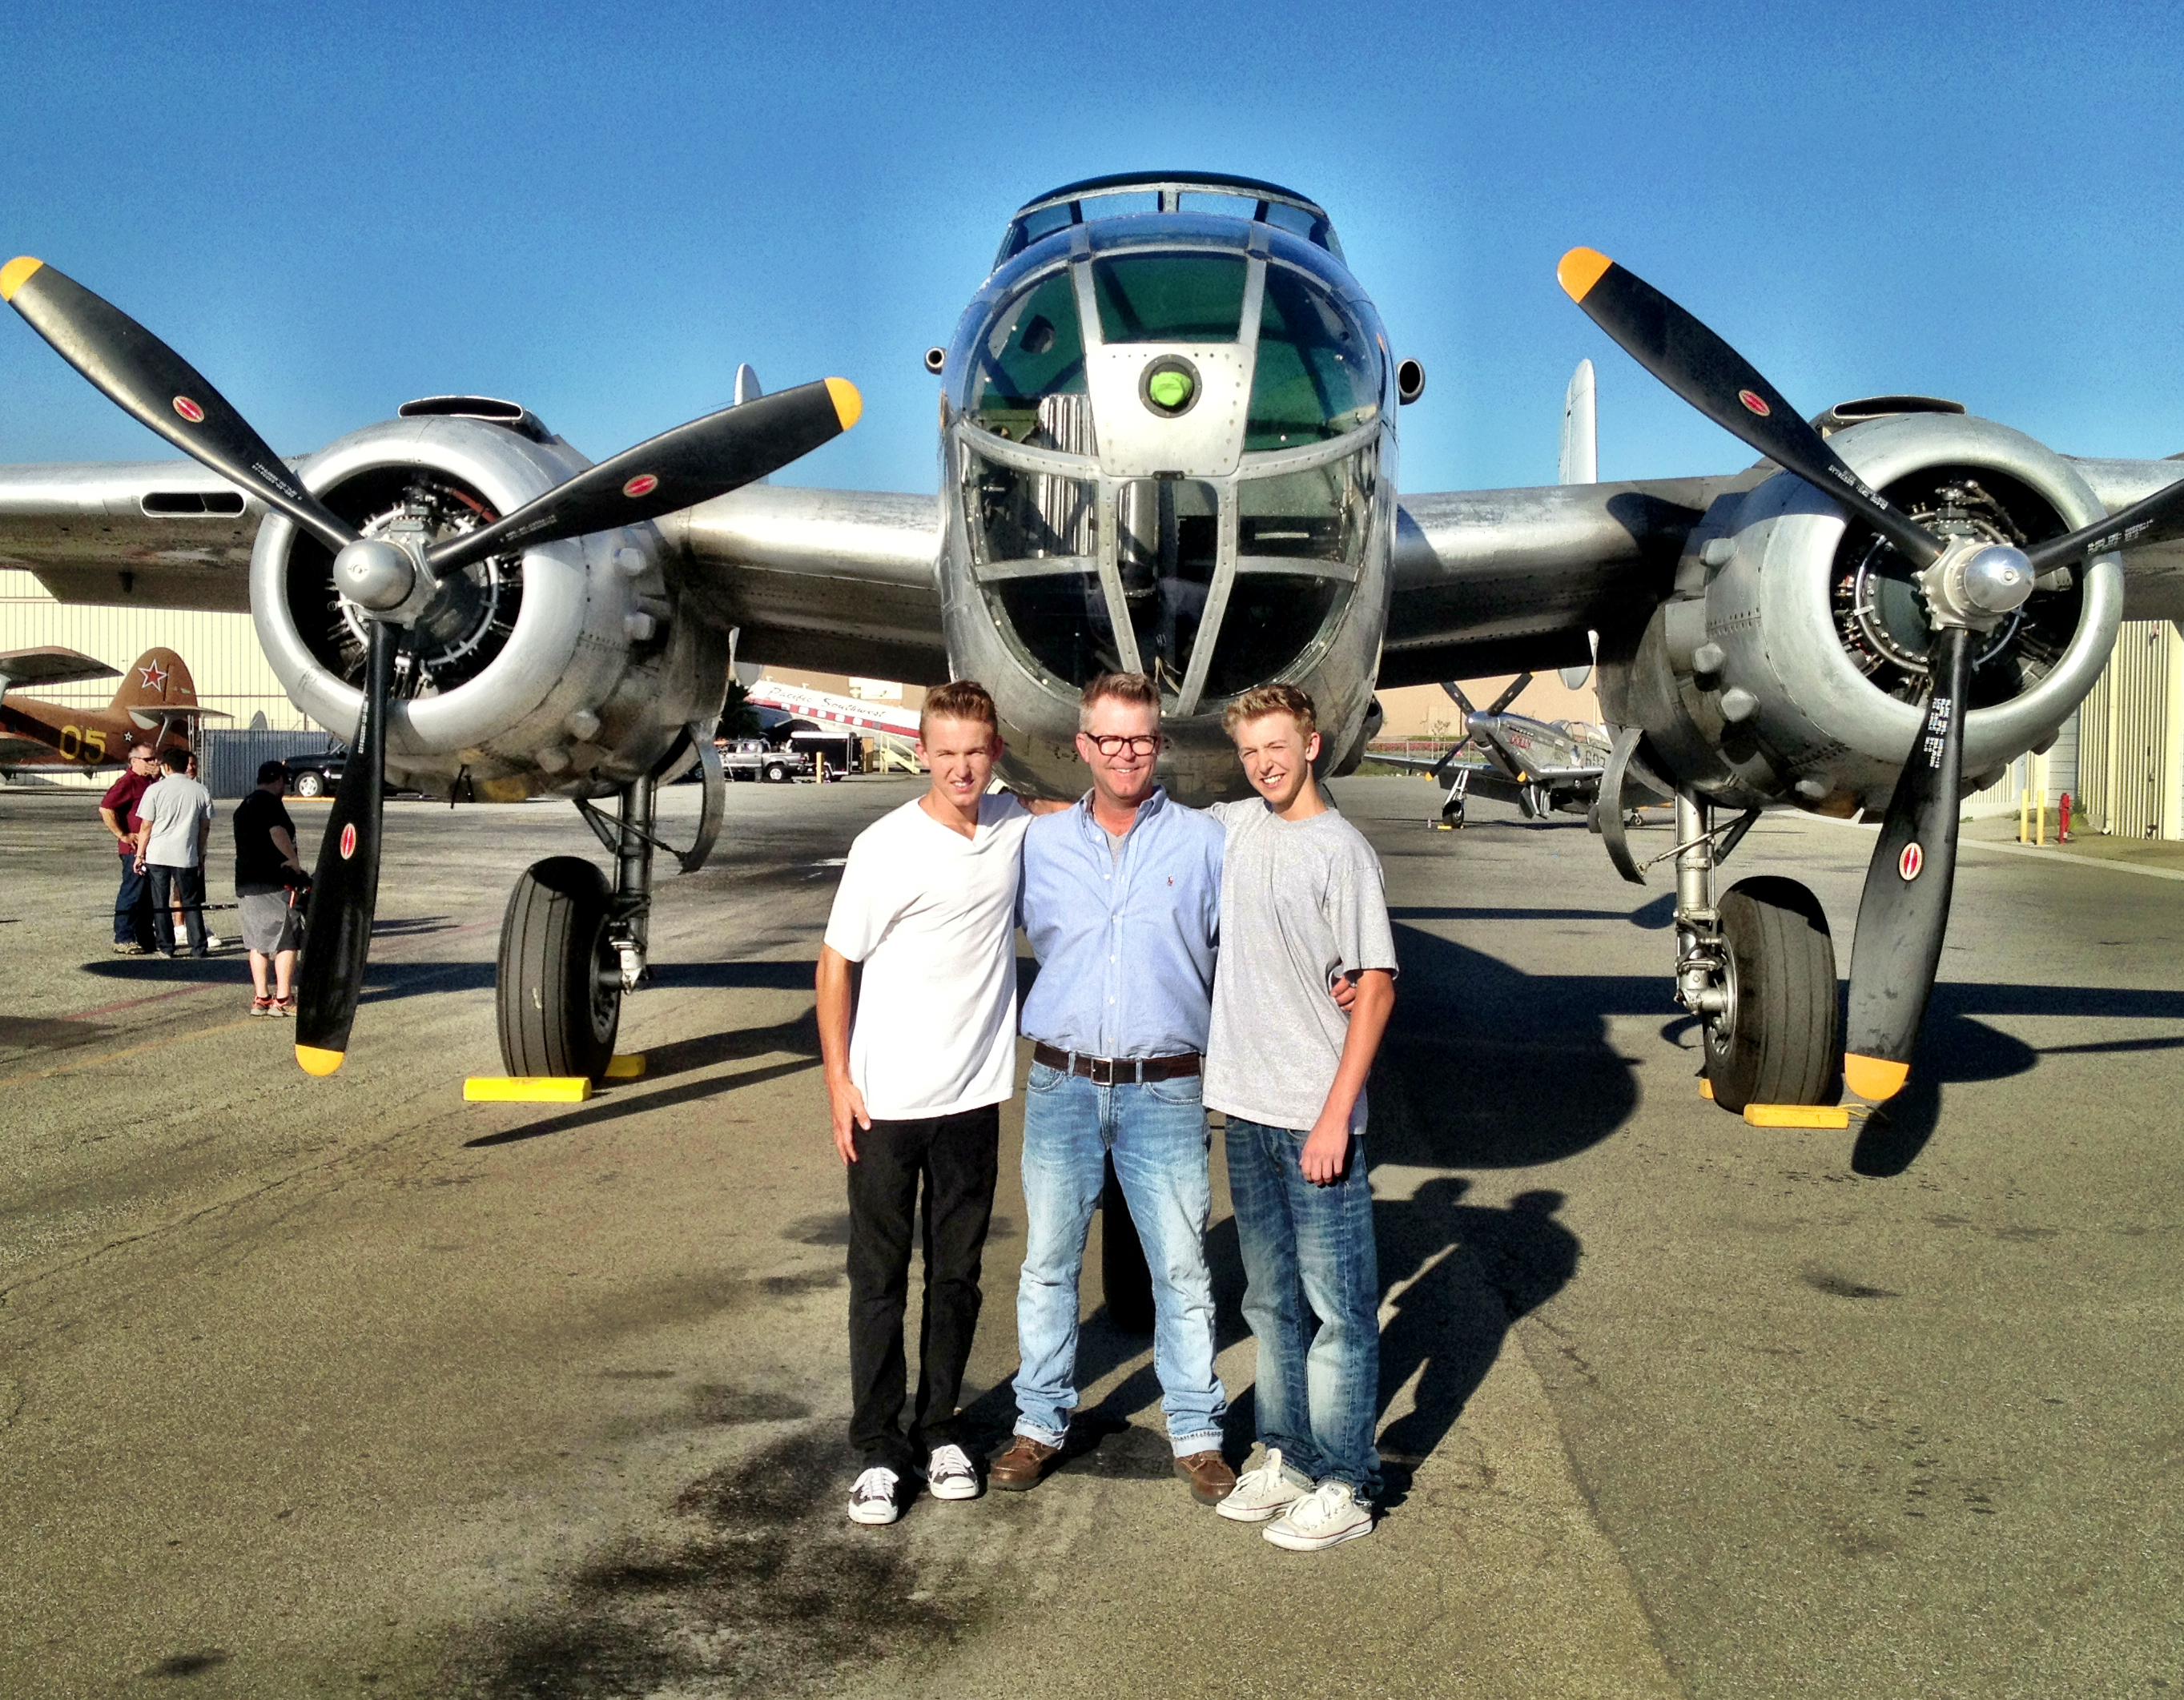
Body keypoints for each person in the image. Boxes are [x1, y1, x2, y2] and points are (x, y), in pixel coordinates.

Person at [991, 671, 1239, 1505]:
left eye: (1140, 738)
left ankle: (1198, 1431)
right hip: (1062, 1081)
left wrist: (1341, 976)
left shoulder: (1206, 843)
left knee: (1181, 1268)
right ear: (1083, 747)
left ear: (1158, 744)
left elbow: (1251, 945)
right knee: (1048, 1262)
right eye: (1109, 739)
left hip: (1163, 1087)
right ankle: (1039, 1421)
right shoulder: (1041, 844)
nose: (1125, 752)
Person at [818, 679, 1036, 1526]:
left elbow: (1074, 804)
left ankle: (940, 1427)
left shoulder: (1014, 823)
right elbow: (835, 962)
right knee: (878, 1277)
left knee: (957, 1275)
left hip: (973, 1097)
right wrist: (837, 1078)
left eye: (975, 752)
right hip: (884, 1100)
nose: (960, 768)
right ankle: (878, 1445)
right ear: (923, 750)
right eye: (945, 753)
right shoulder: (886, 846)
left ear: (996, 752)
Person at [1205, 684, 1398, 1552]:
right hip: (1245, 1108)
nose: (1264, 763)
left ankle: (1349, 1476)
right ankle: (1282, 1453)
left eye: (1277, 746)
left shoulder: (1342, 850)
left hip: (1314, 1115)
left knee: (1341, 1308)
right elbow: (1133, 816)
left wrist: (1334, 1117)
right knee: (1271, 1300)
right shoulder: (1240, 827)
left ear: (1313, 745)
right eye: (1250, 751)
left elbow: (1377, 989)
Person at [233, 758, 308, 1015]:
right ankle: (284, 999)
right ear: (278, 780)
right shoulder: (270, 804)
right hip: (274, 882)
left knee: (257, 942)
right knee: (287, 940)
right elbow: (277, 831)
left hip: (246, 883)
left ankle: (261, 997)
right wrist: (293, 860)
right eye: (284, 782)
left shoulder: (244, 805)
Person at [134, 746, 215, 959]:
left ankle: (166, 946)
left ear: (167, 766)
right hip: (186, 854)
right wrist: (199, 853)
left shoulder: (155, 790)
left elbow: (146, 826)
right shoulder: (200, 790)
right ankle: (198, 946)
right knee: (191, 901)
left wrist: (140, 854)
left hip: (158, 854)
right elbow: (205, 826)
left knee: (160, 901)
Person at [99, 743, 159, 954]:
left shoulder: (151, 781)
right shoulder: (128, 782)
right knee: (132, 893)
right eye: (148, 760)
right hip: (133, 850)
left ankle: (145, 936)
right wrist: (122, 835)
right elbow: (106, 808)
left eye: (154, 759)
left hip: (153, 847)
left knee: (149, 896)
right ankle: (123, 937)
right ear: (134, 761)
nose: (153, 763)